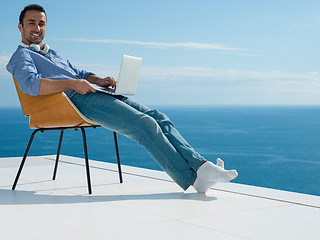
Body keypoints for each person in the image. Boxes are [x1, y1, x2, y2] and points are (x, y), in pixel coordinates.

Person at [7, 4, 238, 194]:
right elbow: (31, 84)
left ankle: (201, 166)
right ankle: (194, 178)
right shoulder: (22, 56)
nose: (37, 28)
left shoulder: (50, 52)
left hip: (90, 93)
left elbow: (79, 73)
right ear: (20, 27)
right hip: (74, 102)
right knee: (144, 125)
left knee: (158, 117)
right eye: (32, 23)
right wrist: (72, 84)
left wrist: (99, 80)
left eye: (41, 23)